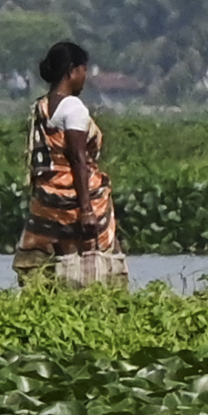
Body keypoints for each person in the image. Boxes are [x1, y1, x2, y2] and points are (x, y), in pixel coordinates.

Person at [19, 40, 126, 289]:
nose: (84, 78)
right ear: (71, 71)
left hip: (47, 198)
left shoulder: (41, 107)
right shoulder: (73, 107)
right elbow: (77, 157)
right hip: (75, 198)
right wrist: (87, 210)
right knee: (102, 257)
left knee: (41, 262)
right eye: (83, 71)